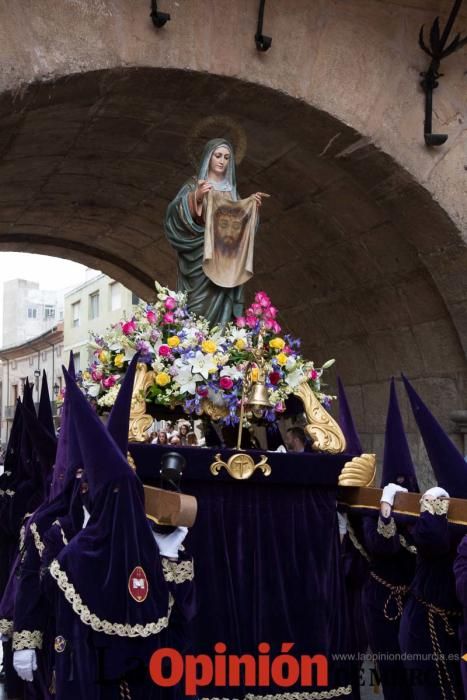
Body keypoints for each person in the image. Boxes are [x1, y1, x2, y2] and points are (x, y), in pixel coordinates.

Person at [164, 138, 266, 324]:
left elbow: (241, 231)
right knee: (197, 309)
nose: (222, 161)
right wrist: (197, 197)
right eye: (217, 156)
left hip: (226, 258)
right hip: (200, 256)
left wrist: (251, 209)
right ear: (208, 158)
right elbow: (174, 214)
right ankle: (193, 342)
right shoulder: (194, 184)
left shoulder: (232, 191)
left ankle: (220, 346)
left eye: (227, 157)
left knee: (223, 313)